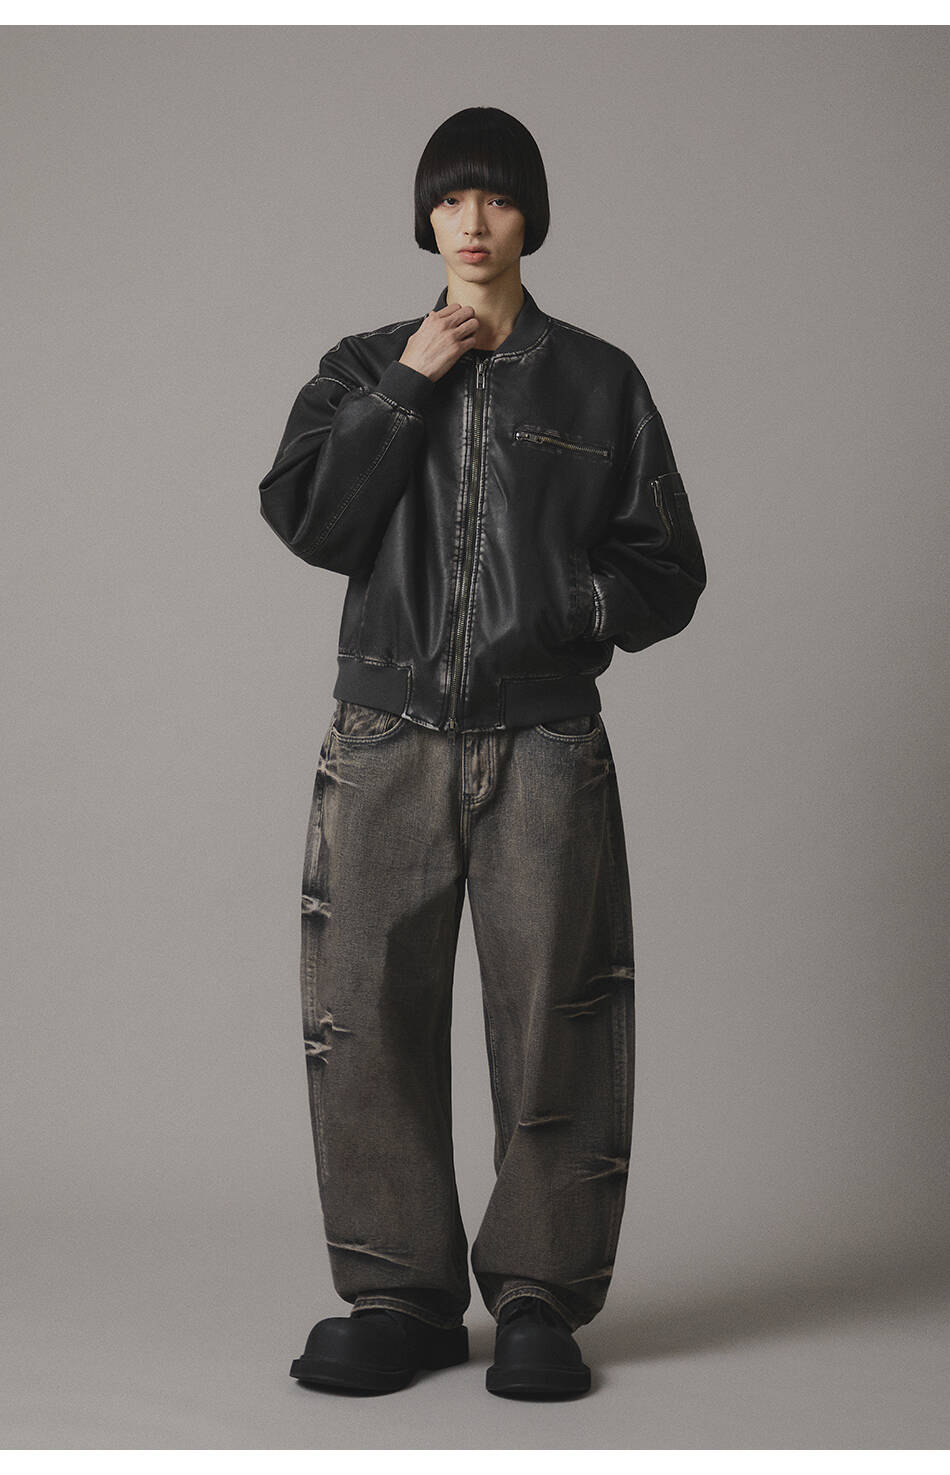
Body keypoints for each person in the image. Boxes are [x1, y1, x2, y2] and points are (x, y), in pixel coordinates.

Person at [258, 105, 706, 1399]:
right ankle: (398, 1300)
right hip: (384, 734)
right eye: (450, 198)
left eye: (497, 198)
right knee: (366, 1023)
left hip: (545, 739)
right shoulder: (361, 365)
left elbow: (666, 569)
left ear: (529, 219)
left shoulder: (598, 381)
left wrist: (566, 608)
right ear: (424, 216)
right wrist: (407, 385)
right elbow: (313, 523)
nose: (471, 221)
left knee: (559, 1016)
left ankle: (537, 1303)